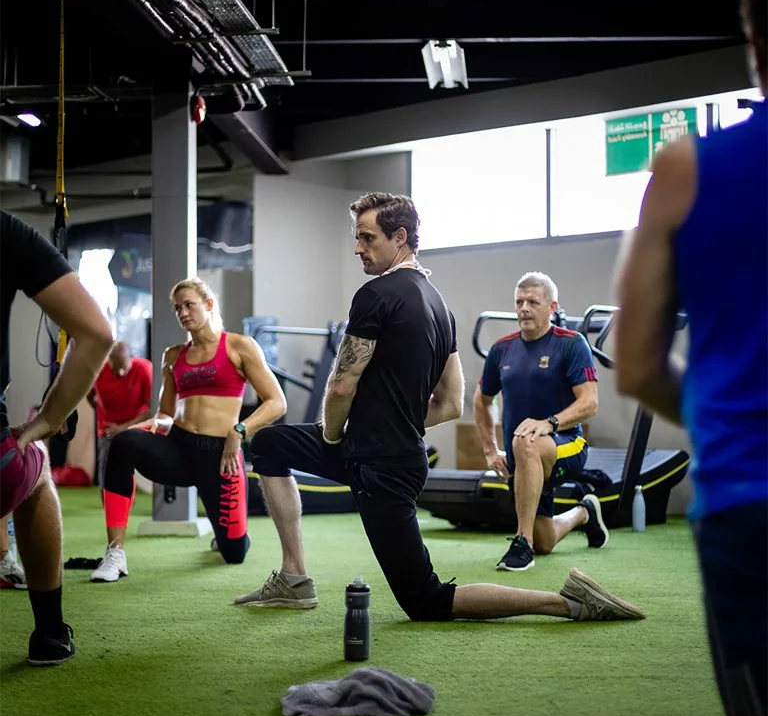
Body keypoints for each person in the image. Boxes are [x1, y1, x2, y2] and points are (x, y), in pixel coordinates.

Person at [234, 192, 644, 627]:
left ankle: (566, 602)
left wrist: (332, 435)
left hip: (379, 465)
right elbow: (450, 403)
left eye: (367, 238)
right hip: (392, 454)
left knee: (426, 600)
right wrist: (392, 423)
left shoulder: (375, 295)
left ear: (400, 237)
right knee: (271, 443)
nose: (358, 248)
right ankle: (295, 578)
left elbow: (341, 386)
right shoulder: (439, 307)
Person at [614, 0, 767, 716]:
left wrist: (722, 418)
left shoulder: (684, 171)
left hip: (749, 502)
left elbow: (637, 366)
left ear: (754, 42)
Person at [89, 277, 287, 582]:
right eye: (177, 308)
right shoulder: (173, 355)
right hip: (179, 448)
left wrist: (239, 431)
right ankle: (115, 553)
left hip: (221, 456)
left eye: (189, 305)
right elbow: (166, 413)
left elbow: (276, 402)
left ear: (208, 304)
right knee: (123, 443)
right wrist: (155, 423)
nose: (182, 312)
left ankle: (231, 536)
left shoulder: (239, 346)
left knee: (233, 554)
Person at [0, 210, 113, 665]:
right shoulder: (6, 231)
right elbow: (97, 333)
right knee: (34, 463)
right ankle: (49, 633)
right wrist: (49, 417)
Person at [473, 272, 607, 571]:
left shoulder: (572, 344)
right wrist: (490, 450)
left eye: (532, 302)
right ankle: (584, 513)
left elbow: (590, 402)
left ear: (552, 307)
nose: (523, 309)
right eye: (519, 302)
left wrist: (551, 423)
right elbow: (482, 400)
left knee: (526, 441)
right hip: (523, 457)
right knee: (545, 542)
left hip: (568, 445)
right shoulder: (501, 350)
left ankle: (522, 542)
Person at [87, 341, 153, 491]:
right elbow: (89, 396)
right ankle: (108, 498)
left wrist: (123, 427)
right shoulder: (98, 372)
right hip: (109, 429)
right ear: (109, 360)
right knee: (106, 471)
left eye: (124, 368)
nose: (121, 373)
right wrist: (103, 416)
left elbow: (153, 409)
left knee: (131, 467)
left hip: (137, 426)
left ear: (131, 359)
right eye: (116, 368)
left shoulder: (144, 369)